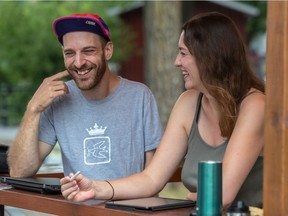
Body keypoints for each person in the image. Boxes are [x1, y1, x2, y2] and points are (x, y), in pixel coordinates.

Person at [60, 12, 265, 209]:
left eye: (183, 53)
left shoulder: (255, 105)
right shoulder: (188, 103)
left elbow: (221, 197)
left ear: (210, 56)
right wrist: (96, 188)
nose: (177, 62)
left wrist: (191, 197)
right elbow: (152, 178)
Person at [7, 13, 163, 180]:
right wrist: (33, 109)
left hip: (126, 206)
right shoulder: (58, 99)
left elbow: (152, 179)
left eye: (88, 51)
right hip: (76, 206)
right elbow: (19, 171)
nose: (79, 62)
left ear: (108, 50)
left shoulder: (140, 97)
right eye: (70, 53)